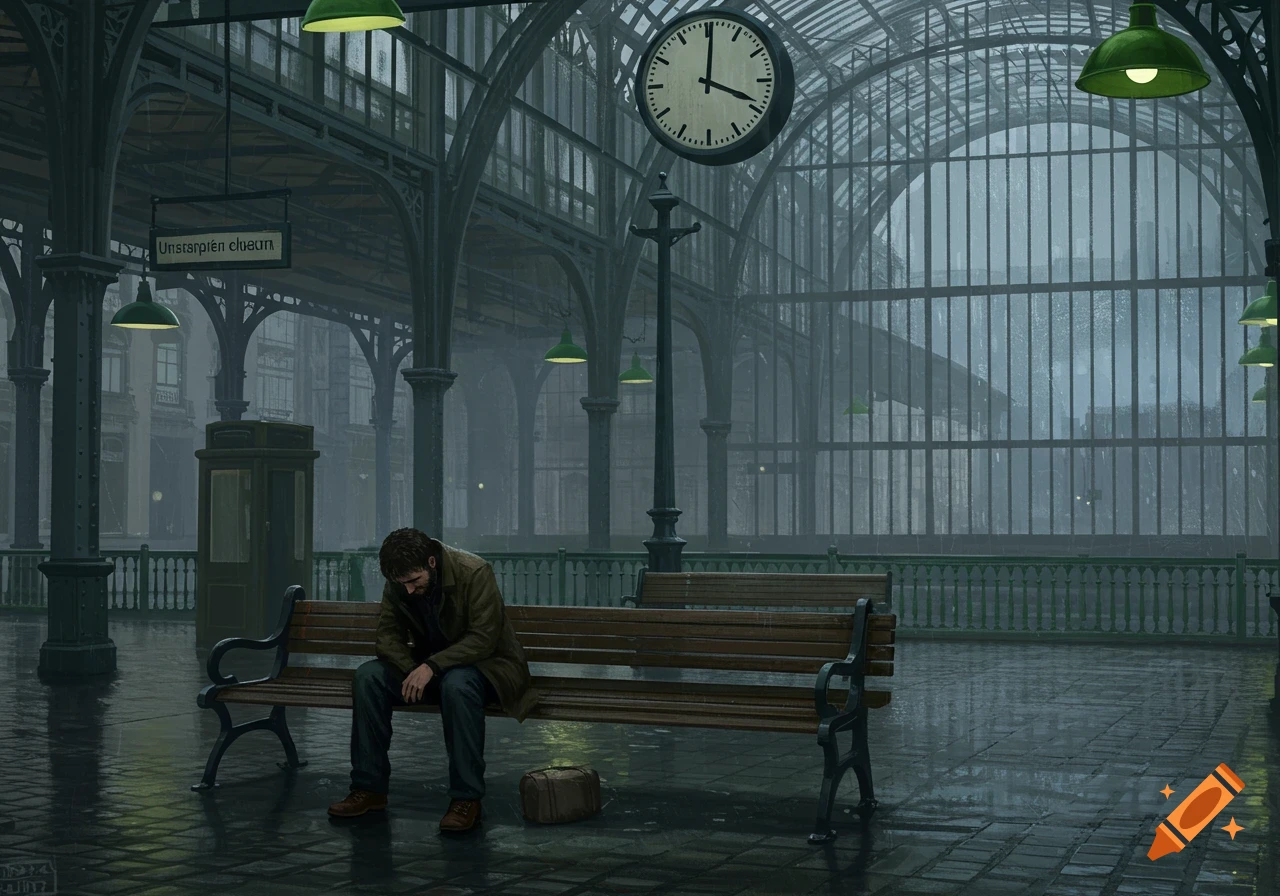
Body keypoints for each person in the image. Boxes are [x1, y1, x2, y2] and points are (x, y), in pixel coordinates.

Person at [328, 528, 537, 832]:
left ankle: (466, 799)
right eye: (402, 584)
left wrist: (431, 667)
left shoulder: (475, 572)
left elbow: (483, 639)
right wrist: (414, 668)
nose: (409, 590)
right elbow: (387, 637)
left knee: (458, 685)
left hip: (486, 667)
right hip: (430, 667)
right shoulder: (400, 580)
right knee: (368, 677)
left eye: (414, 581)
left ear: (431, 562)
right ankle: (369, 789)